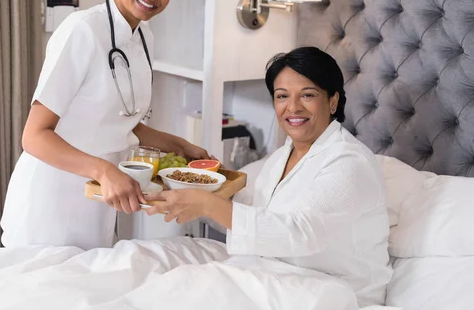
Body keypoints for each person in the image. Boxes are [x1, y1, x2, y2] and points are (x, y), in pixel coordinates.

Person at [0, 0, 210, 250]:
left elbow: (120, 120)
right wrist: (103, 170)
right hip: (51, 201)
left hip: (100, 199)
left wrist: (180, 146)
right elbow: (34, 136)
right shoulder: (82, 30)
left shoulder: (144, 38)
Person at [145, 46, 393, 307]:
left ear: (333, 101)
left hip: (330, 291)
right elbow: (263, 216)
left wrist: (208, 204)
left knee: (187, 291)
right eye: (282, 96)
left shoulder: (350, 163)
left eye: (307, 95)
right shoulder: (281, 157)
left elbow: (300, 231)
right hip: (274, 274)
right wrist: (200, 186)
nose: (292, 107)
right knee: (150, 266)